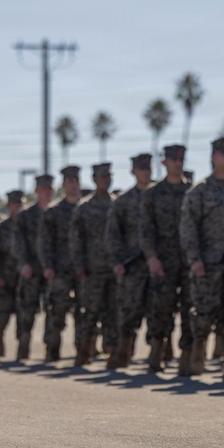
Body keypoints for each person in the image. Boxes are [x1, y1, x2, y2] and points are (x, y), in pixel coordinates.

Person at [179, 138, 224, 377]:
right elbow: (189, 226)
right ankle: (198, 348)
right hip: (207, 262)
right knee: (203, 311)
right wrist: (194, 258)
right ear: (212, 157)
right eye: (222, 153)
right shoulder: (199, 191)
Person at [140, 145, 193, 374]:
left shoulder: (193, 192)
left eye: (180, 159)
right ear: (164, 163)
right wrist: (151, 257)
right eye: (173, 159)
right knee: (161, 308)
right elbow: (146, 229)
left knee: (190, 310)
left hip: (189, 260)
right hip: (163, 261)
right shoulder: (153, 193)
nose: (177, 163)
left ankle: (187, 355)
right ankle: (157, 350)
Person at [105, 153, 154, 368]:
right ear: (133, 172)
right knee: (128, 310)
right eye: (141, 168)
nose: (146, 172)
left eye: (148, 168)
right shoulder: (123, 202)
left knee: (158, 309)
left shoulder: (158, 196)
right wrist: (116, 260)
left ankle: (157, 353)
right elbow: (113, 234)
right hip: (132, 264)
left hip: (156, 264)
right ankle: (122, 351)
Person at [71, 163, 116, 366]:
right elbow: (76, 239)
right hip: (92, 269)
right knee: (90, 312)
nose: (106, 180)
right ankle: (84, 351)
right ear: (95, 179)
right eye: (101, 177)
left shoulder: (117, 204)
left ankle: (112, 352)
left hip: (115, 269)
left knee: (113, 312)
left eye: (108, 176)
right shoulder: (85, 207)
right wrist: (79, 264)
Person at [38, 165, 82, 362]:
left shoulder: (86, 209)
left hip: (83, 269)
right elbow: (45, 241)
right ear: (64, 184)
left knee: (84, 310)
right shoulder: (53, 212)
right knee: (57, 310)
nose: (74, 185)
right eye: (70, 181)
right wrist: (48, 265)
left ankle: (83, 349)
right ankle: (52, 347)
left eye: (76, 181)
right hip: (60, 270)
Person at [13, 174, 53, 360]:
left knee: (53, 310)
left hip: (52, 271)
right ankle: (24, 342)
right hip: (32, 271)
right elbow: (18, 243)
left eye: (49, 189)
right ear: (36, 191)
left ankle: (50, 347)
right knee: (27, 310)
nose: (46, 192)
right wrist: (23, 264)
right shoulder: (26, 216)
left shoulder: (56, 213)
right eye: (43, 189)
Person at [0, 190, 25, 359]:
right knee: (2, 313)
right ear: (9, 206)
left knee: (24, 314)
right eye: (14, 203)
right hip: (6, 278)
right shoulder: (1, 228)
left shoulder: (27, 226)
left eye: (20, 203)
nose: (17, 207)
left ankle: (22, 348)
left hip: (24, 280)